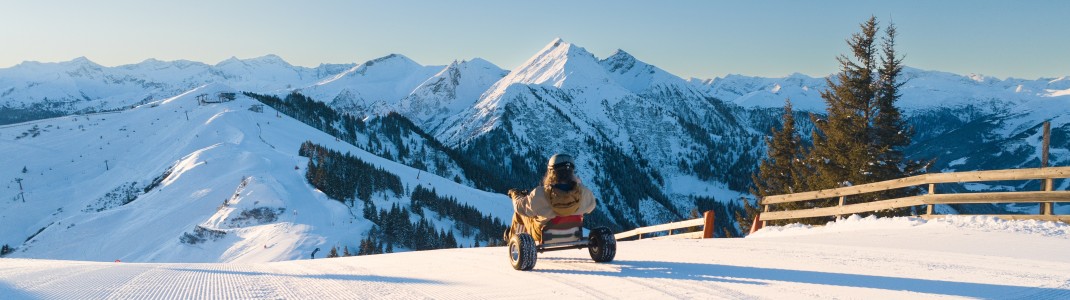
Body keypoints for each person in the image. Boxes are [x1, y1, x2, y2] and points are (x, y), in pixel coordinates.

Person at [506, 153, 596, 244]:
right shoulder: (583, 192)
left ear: (551, 172)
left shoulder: (540, 193)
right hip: (574, 232)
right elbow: (591, 206)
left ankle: (514, 242)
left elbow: (519, 207)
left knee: (519, 214)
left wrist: (515, 195)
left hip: (542, 234)